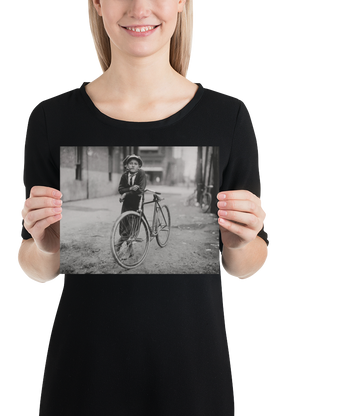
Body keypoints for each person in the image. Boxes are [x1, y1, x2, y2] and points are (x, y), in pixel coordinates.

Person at [16, 1, 271, 415]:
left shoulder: (230, 116)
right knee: (125, 219)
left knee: (144, 210)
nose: (139, 7)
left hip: (193, 380)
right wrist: (46, 245)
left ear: (184, 3)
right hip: (84, 380)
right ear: (97, 4)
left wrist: (240, 240)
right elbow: (34, 265)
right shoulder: (49, 117)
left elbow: (249, 264)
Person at [115, 154, 147, 257]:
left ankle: (118, 246)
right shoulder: (125, 175)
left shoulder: (141, 174)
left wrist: (125, 193)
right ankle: (129, 250)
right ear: (127, 166)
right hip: (127, 203)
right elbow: (120, 189)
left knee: (132, 227)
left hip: (137, 203)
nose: (133, 165)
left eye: (135, 164)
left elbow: (140, 190)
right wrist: (130, 189)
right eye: (130, 163)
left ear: (139, 166)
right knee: (124, 225)